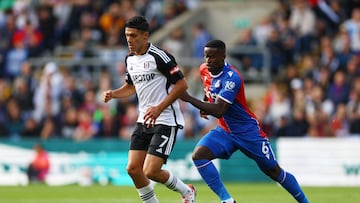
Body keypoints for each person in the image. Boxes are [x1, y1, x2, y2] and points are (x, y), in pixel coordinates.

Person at [180, 39, 310, 203]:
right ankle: (227, 200)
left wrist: (190, 99)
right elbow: (210, 90)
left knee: (274, 172)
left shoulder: (232, 78)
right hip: (225, 131)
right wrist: (206, 103)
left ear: (223, 57)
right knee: (199, 155)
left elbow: (220, 110)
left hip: (247, 131)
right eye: (206, 56)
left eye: (212, 57)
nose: (208, 60)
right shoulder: (204, 70)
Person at [102, 16, 196, 203]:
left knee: (151, 171)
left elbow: (182, 85)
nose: (129, 39)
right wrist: (114, 93)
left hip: (166, 119)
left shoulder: (159, 56)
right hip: (144, 119)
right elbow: (131, 87)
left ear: (145, 36)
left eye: (134, 35)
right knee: (133, 169)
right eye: (127, 35)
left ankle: (187, 192)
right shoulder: (130, 59)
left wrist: (159, 108)